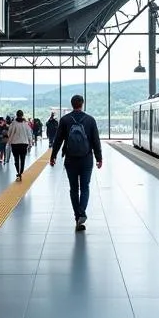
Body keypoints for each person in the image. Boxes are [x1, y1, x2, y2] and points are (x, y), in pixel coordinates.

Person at [49, 94, 102, 231]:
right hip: (86, 158)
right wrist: (99, 158)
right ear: (82, 104)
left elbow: (58, 140)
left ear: (72, 104)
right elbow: (96, 140)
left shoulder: (65, 120)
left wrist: (53, 156)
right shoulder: (90, 120)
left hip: (70, 159)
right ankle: (82, 212)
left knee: (74, 188)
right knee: (85, 187)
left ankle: (77, 216)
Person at [8, 110, 33, 182]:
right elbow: (29, 134)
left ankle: (18, 172)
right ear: (22, 115)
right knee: (22, 159)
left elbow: (9, 133)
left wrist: (11, 139)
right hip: (24, 144)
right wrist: (30, 143)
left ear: (16, 115)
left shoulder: (13, 123)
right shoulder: (26, 124)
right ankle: (21, 172)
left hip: (15, 144)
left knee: (16, 159)